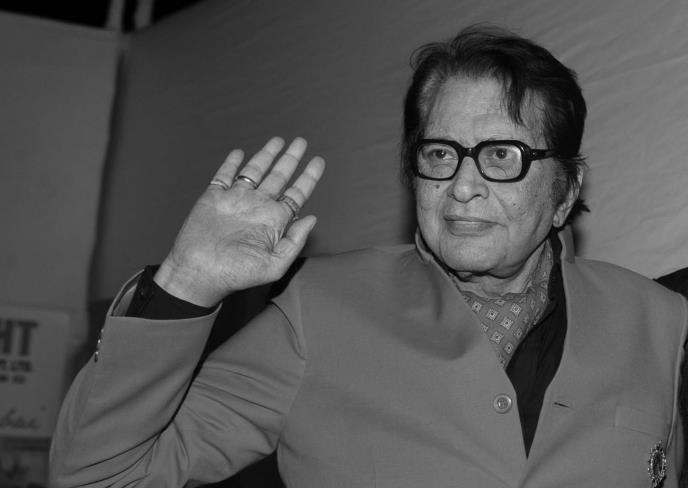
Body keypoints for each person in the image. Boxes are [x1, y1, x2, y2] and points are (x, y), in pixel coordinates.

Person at [49, 25, 687, 488]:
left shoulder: (660, 323)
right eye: (440, 154)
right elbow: (102, 476)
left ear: (566, 190)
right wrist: (185, 284)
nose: (462, 185)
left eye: (502, 155)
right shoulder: (319, 312)